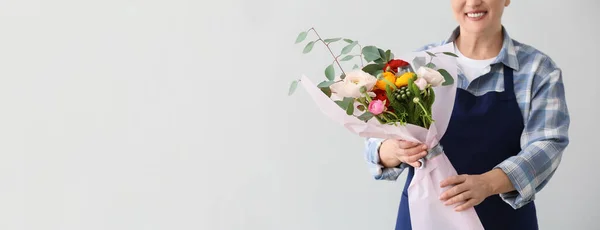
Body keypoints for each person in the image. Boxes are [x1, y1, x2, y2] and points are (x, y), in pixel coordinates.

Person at [363, 0, 570, 229]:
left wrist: (489, 183)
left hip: (502, 219)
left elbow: (548, 143)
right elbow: (376, 141)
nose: (473, 2)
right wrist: (393, 150)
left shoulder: (537, 70)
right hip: (424, 218)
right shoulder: (416, 64)